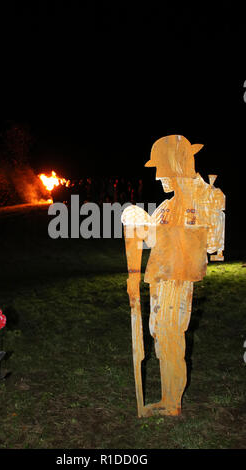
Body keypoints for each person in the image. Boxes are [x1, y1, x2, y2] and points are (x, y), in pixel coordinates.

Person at [121, 135, 225, 417]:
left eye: (161, 169)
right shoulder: (169, 206)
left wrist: (150, 229)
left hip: (178, 278)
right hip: (160, 278)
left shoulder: (206, 197)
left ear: (178, 164)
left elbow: (210, 242)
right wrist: (135, 219)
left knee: (171, 335)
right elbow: (150, 237)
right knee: (160, 336)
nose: (157, 177)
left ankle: (172, 402)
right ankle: (168, 399)